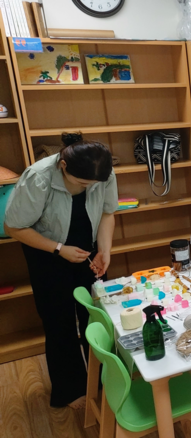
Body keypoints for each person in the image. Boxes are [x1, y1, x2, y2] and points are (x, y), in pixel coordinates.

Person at [4, 133, 118, 408]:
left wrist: (104, 250)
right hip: (47, 253)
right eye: (83, 183)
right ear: (63, 166)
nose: (90, 187)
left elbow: (107, 213)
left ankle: (106, 381)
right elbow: (14, 227)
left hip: (87, 249)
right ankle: (71, 389)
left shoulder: (102, 172)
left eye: (95, 184)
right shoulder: (38, 177)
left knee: (98, 317)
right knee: (59, 322)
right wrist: (58, 249)